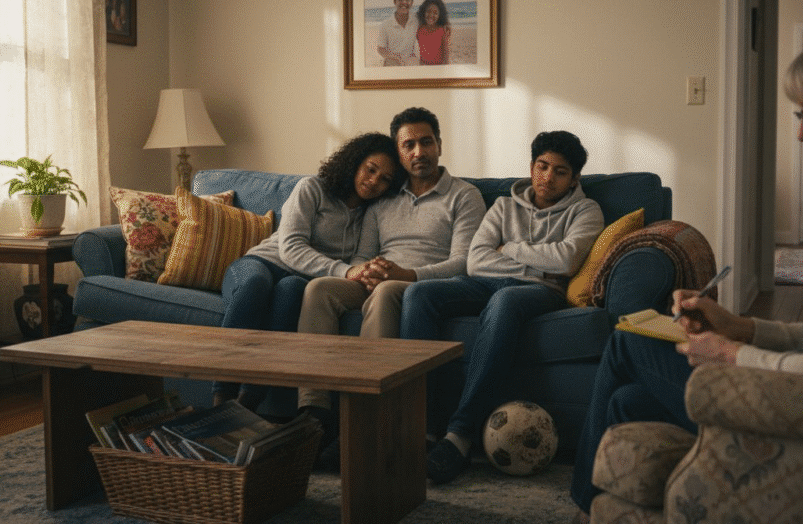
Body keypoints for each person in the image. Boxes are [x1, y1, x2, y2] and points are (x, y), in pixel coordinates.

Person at [568, 16, 803, 522]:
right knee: (630, 401)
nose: (801, 133)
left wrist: (731, 354)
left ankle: (581, 508)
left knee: (626, 341)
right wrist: (741, 326)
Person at [401, 130, 604, 484]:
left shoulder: (586, 210)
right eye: (542, 166)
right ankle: (424, 428)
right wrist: (539, 259)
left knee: (505, 299)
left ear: (574, 179)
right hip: (488, 281)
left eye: (559, 171)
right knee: (419, 295)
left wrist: (509, 248)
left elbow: (568, 260)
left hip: (540, 291)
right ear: (531, 166)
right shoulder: (504, 206)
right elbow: (476, 261)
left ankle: (459, 436)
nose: (548, 177)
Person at [296, 106, 487, 468]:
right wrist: (368, 269)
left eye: (426, 142)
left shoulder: (464, 196)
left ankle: (365, 417)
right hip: (383, 277)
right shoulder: (384, 197)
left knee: (385, 293)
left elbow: (465, 262)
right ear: (399, 153)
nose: (419, 152)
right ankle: (314, 412)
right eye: (409, 145)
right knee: (320, 288)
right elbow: (364, 254)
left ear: (440, 145)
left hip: (422, 283)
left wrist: (406, 275)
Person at [210, 132, 404, 408]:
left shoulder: (371, 214)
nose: (374, 181)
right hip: (261, 264)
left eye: (385, 179)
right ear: (355, 163)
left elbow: (360, 261)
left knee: (293, 292)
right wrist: (344, 271)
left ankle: (248, 403)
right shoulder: (312, 188)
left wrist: (363, 270)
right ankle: (221, 397)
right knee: (255, 285)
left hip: (299, 278)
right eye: (370, 170)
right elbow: (290, 247)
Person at [376, 0, 419, 66]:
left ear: (412, 2)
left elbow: (432, 20)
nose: (404, 2)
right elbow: (380, 48)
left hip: (410, 63)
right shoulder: (385, 25)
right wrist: (395, 58)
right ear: (394, 1)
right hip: (392, 62)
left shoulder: (416, 20)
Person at [416, 0, 451, 66]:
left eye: (435, 13)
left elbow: (446, 54)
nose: (431, 15)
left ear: (440, 15)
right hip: (423, 66)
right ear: (424, 12)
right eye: (428, 11)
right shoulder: (419, 29)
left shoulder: (442, 30)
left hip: (438, 67)